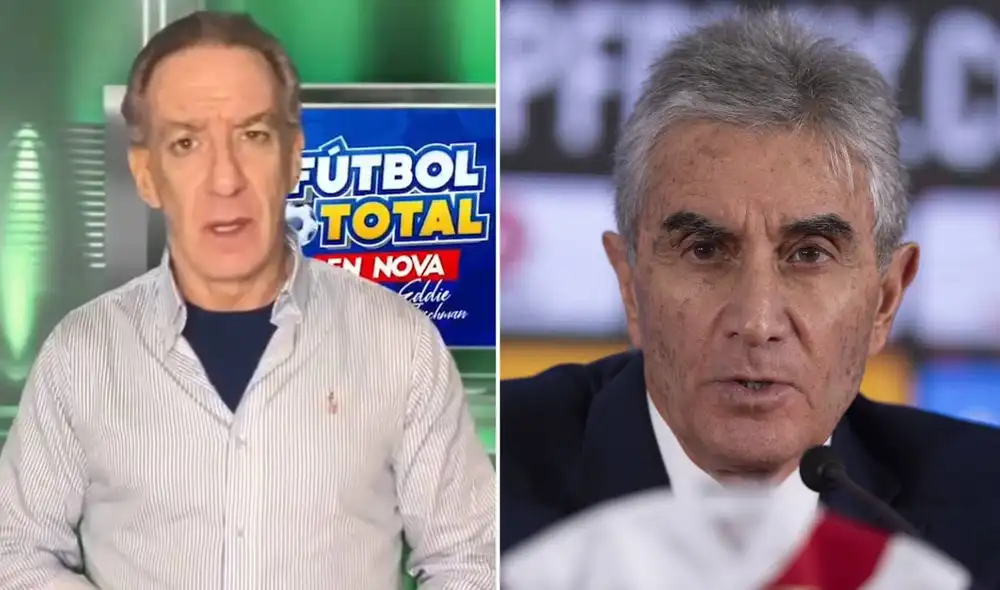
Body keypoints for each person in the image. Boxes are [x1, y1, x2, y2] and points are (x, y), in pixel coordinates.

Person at [500, 9, 1000, 585]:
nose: (757, 321)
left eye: (810, 254)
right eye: (706, 251)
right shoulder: (474, 481)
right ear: (630, 286)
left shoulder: (985, 513)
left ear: (886, 299)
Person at [0, 11, 494, 590]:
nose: (225, 178)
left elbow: (469, 560)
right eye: (186, 143)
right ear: (146, 174)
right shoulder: (81, 355)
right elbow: (18, 552)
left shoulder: (400, 342)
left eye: (253, 135)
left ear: (293, 155)